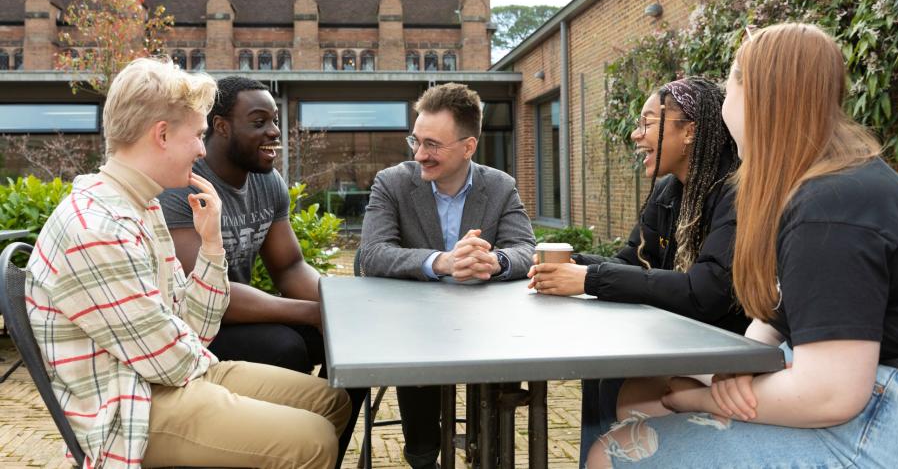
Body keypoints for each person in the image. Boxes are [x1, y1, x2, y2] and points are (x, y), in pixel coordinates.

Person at [587, 23, 898, 467]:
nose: (724, 104)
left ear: (759, 98)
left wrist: (704, 400)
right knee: (641, 396)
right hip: (854, 382)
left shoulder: (831, 206)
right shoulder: (820, 184)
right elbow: (780, 316)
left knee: (610, 453)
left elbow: (829, 394)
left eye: (729, 85)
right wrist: (734, 370)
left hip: (892, 414)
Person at [24, 58, 350, 469]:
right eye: (197, 134)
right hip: (130, 406)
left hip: (169, 374)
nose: (201, 148)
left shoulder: (141, 206)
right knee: (313, 440)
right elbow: (171, 359)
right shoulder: (97, 227)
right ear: (161, 135)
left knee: (331, 402)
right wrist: (214, 372)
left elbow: (195, 324)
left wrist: (211, 244)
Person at [527, 77, 746, 463]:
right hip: (675, 348)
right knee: (603, 366)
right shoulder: (669, 192)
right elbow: (630, 263)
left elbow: (706, 292)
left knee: (612, 373)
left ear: (690, 131)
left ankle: (608, 456)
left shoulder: (735, 193)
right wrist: (573, 264)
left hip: (729, 360)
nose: (634, 134)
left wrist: (590, 278)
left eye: (647, 123)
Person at [158, 75, 364, 465]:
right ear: (221, 127)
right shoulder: (180, 188)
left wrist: (339, 305)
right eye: (259, 122)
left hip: (242, 314)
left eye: (274, 121)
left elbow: (289, 267)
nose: (273, 132)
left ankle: (319, 455)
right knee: (285, 347)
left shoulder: (268, 183)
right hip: (194, 328)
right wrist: (310, 312)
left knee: (353, 344)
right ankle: (270, 451)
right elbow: (202, 293)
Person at [358, 82, 535, 469]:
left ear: (469, 147)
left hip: (484, 329)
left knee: (502, 375)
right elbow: (370, 255)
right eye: (416, 141)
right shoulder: (393, 183)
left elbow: (526, 250)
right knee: (416, 357)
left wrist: (496, 261)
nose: (421, 154)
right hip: (413, 327)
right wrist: (443, 262)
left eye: (433, 145)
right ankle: (422, 456)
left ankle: (487, 449)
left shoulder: (500, 186)